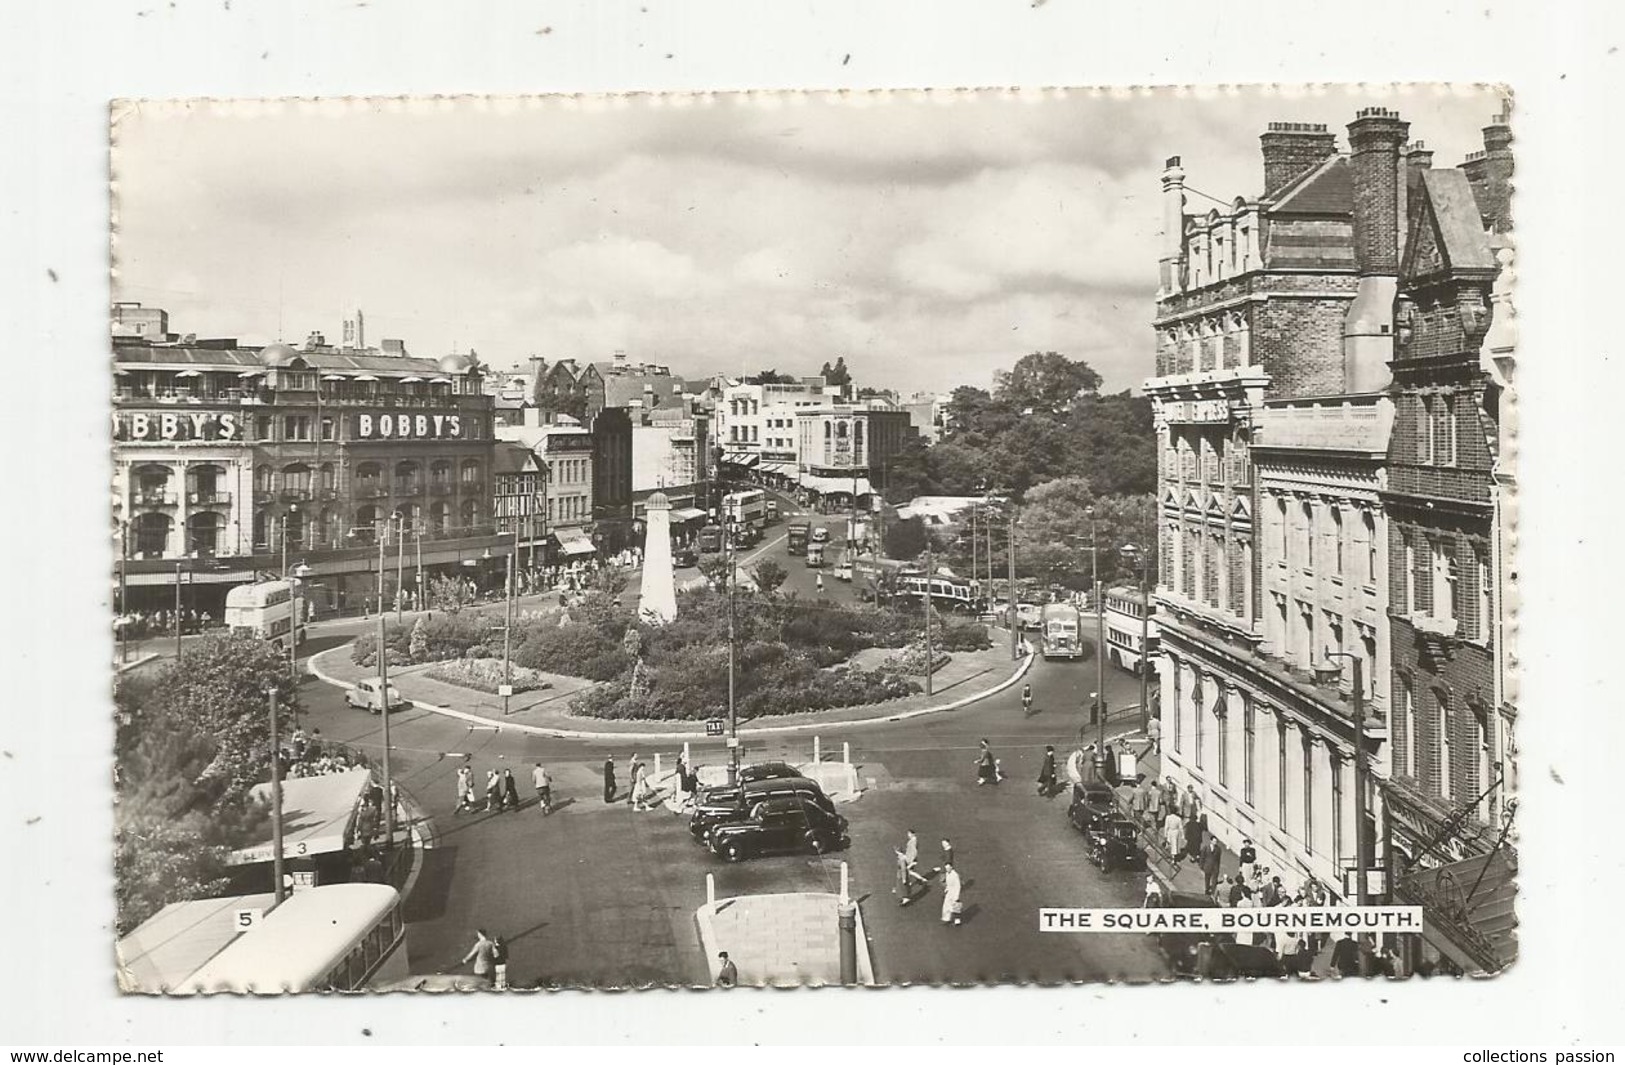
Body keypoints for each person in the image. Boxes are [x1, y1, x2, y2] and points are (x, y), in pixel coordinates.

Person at [894, 829, 928, 904]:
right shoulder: (912, 841)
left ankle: (921, 880)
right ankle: (918, 881)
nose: (908, 835)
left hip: (910, 860)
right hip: (908, 859)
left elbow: (914, 852)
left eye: (909, 834)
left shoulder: (913, 842)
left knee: (908, 872)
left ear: (912, 834)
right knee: (909, 872)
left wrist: (911, 861)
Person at [940, 863, 963, 927]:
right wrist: (946, 889)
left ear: (951, 867)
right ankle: (947, 918)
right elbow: (948, 883)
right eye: (946, 868)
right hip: (949, 891)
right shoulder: (947, 874)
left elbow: (958, 886)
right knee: (946, 905)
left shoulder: (955, 875)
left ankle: (957, 921)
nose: (947, 869)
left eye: (948, 868)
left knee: (955, 907)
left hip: (954, 892)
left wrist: (956, 896)